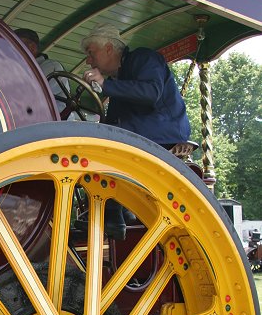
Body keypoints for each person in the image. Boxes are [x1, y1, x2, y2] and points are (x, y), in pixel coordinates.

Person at [79, 23, 191, 239]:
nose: (88, 61)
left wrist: (105, 85)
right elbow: (112, 123)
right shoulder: (118, 79)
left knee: (108, 149)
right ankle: (121, 210)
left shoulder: (144, 58)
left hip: (163, 134)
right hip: (145, 133)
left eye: (91, 53)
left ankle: (113, 213)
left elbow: (151, 93)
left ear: (109, 48)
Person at [15, 28, 70, 115]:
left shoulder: (51, 67)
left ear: (32, 47)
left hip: (54, 124)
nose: (12, 51)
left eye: (16, 46)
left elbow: (32, 98)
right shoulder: (21, 71)